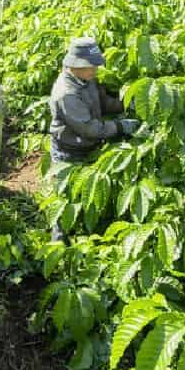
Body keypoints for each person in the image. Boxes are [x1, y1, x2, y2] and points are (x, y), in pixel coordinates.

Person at [47, 37, 139, 242]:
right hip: (69, 153)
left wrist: (126, 105)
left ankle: (89, 239)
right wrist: (120, 126)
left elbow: (103, 102)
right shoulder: (67, 94)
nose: (95, 69)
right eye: (91, 66)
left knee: (90, 196)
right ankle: (58, 248)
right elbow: (89, 128)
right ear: (75, 66)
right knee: (65, 201)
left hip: (90, 148)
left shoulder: (87, 79)